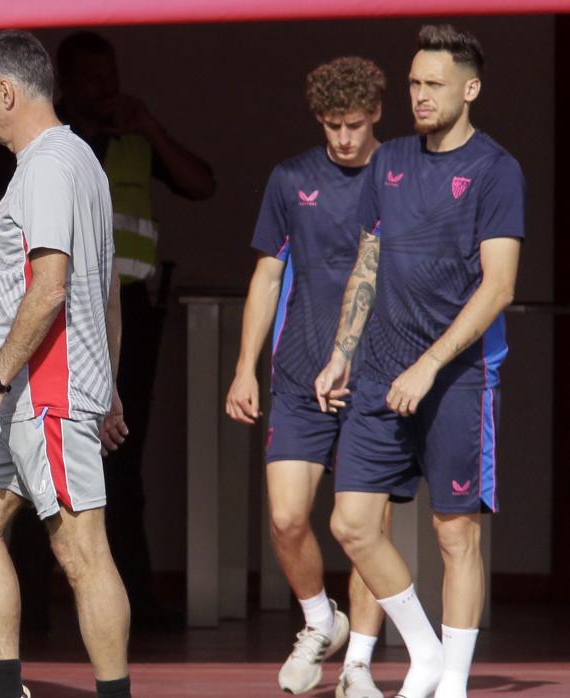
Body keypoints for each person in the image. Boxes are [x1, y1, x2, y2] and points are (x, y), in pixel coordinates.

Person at [0, 28, 215, 636]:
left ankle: (119, 638)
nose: (103, 89)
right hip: (60, 349)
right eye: (90, 78)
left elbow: (200, 186)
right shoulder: (60, 154)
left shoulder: (68, 157)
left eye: (108, 76)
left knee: (89, 525)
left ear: (7, 91)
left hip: (67, 357)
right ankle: (13, 658)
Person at [315, 25, 524, 698]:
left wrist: (430, 365)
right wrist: (342, 353)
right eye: (413, 82)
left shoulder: (497, 170)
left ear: (471, 89)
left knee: (454, 532)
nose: (420, 95)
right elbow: (369, 263)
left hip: (459, 375)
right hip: (378, 366)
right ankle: (426, 652)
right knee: (350, 522)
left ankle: (453, 685)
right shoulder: (390, 160)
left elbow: (499, 285)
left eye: (434, 84)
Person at [0, 30, 131, 698]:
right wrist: (109, 388)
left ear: (6, 90)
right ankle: (2, 685)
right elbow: (105, 288)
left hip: (41, 392)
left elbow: (51, 286)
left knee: (81, 552)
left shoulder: (52, 165)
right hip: (33, 395)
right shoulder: (77, 160)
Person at [225, 56, 407, 698]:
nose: (345, 138)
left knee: (364, 530)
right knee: (286, 518)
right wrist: (245, 368)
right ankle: (317, 621)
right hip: (299, 374)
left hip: (377, 380)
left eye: (355, 124)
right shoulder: (291, 177)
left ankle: (358, 662)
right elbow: (268, 275)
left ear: (378, 113)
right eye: (332, 126)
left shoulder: (402, 175)